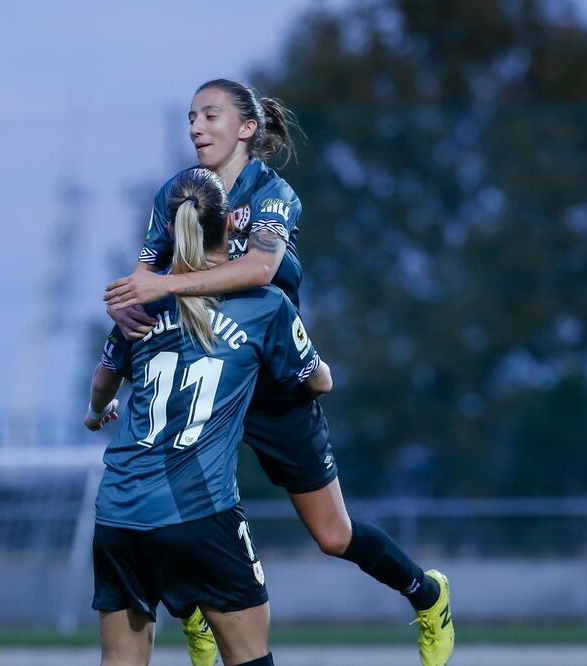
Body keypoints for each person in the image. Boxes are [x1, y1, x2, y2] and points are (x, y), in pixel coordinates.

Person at [104, 78, 453, 666]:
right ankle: (195, 613)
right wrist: (125, 313)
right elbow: (140, 280)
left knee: (332, 535)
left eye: (210, 116)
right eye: (191, 117)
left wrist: (164, 284)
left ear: (246, 129)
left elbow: (262, 269)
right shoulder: (177, 192)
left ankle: (426, 593)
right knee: (173, 509)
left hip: (270, 377)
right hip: (202, 372)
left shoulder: (273, 193)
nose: (195, 127)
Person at [85, 167, 333, 666]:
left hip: (119, 513)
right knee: (248, 656)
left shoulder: (143, 305)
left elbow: (103, 381)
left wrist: (97, 414)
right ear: (230, 226)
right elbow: (318, 381)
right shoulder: (264, 306)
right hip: (201, 512)